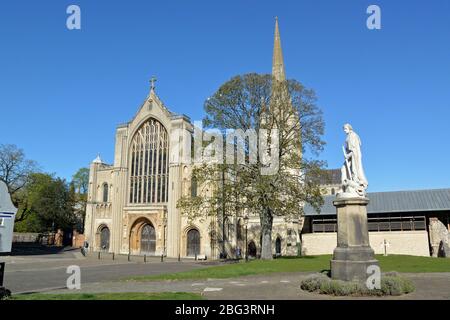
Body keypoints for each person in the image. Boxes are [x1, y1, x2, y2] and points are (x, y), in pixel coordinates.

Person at [340, 123, 368, 197]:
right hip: (350, 157)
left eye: (345, 129)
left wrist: (347, 155)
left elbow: (353, 150)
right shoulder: (348, 136)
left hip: (354, 157)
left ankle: (354, 185)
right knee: (343, 169)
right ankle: (344, 187)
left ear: (349, 128)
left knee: (354, 171)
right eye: (344, 129)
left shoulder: (352, 136)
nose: (345, 130)